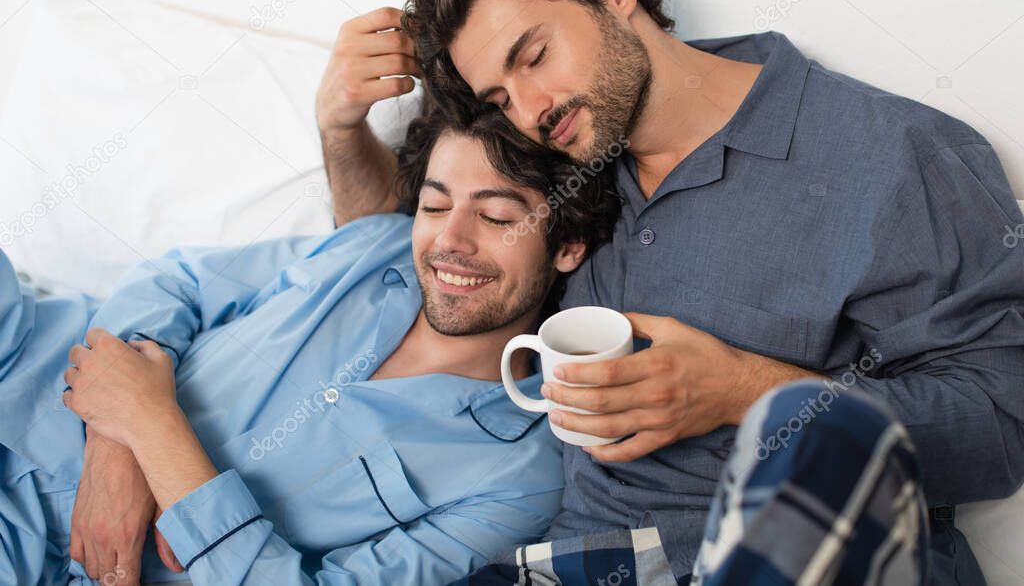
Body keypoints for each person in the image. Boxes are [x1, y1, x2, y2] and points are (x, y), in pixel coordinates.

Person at [312, 0, 1024, 582]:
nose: (530, 110)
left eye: (534, 54)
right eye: (499, 99)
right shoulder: (549, 168)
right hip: (577, 563)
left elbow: (1003, 422)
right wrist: (342, 126)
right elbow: (415, 262)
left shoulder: (893, 154)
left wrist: (741, 389)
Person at [0, 107, 620, 585]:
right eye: (434, 205)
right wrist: (114, 447)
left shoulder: (517, 476)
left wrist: (154, 429)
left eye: (497, 218)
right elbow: (175, 280)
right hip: (30, 364)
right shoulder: (376, 244)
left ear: (567, 246)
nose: (448, 240)